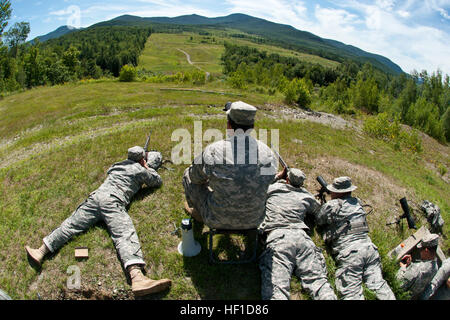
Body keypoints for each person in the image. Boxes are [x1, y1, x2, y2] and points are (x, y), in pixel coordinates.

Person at [25, 146, 172, 297]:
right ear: (142, 160)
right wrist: (148, 168)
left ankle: (41, 251)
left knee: (71, 225)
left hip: (95, 198)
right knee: (123, 234)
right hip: (112, 201)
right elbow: (157, 182)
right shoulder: (140, 170)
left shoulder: (117, 166)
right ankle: (137, 277)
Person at [183, 101, 277, 230]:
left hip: (216, 219)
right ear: (252, 126)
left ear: (228, 125)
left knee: (187, 175)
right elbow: (270, 180)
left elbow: (194, 177)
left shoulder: (214, 151)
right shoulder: (267, 153)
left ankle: (198, 212)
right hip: (255, 220)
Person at [259, 167, 337, 300]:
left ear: (287, 179)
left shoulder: (273, 189)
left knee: (277, 287)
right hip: (302, 238)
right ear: (301, 183)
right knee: (318, 282)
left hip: (279, 238)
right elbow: (319, 213)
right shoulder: (306, 196)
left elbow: (259, 188)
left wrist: (278, 176)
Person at [314, 176, 396, 300]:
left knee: (351, 294)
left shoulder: (333, 205)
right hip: (369, 249)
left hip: (351, 253)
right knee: (379, 285)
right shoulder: (357, 202)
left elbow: (319, 220)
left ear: (336, 192)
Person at [396, 233, 440, 300]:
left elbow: (398, 284)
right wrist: (410, 265)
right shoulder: (435, 268)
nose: (419, 252)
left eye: (420, 249)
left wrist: (403, 268)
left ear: (426, 251)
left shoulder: (417, 268)